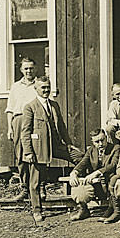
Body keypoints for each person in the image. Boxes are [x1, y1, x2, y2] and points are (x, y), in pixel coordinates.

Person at [20, 76, 82, 222]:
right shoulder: (30, 107)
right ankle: (36, 210)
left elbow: (61, 126)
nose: (46, 90)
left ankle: (83, 200)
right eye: (43, 88)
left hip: (56, 144)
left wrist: (68, 143)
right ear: (36, 89)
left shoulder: (54, 105)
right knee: (35, 181)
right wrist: (28, 151)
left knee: (80, 157)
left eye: (48, 87)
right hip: (39, 148)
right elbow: (25, 132)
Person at [67, 128, 120, 222]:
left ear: (106, 138)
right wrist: (74, 173)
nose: (100, 144)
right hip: (96, 185)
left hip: (110, 182)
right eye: (97, 142)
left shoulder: (115, 148)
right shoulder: (91, 150)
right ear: (92, 142)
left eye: (102, 140)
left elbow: (113, 165)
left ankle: (112, 209)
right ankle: (83, 209)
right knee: (79, 186)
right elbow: (82, 163)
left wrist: (96, 173)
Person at [5, 56, 39, 197]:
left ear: (35, 68)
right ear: (21, 70)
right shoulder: (16, 86)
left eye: (31, 68)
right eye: (26, 68)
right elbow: (10, 109)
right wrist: (10, 128)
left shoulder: (39, 84)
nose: (28, 71)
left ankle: (38, 187)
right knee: (20, 154)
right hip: (19, 120)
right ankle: (25, 187)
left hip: (35, 120)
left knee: (37, 153)